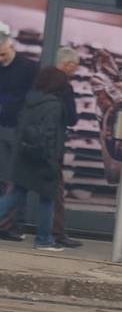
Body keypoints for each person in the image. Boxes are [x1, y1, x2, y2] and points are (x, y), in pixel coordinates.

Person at [0, 66, 68, 250]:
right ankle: (44, 239)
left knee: (15, 195)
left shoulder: (30, 101)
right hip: (42, 159)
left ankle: (44, 239)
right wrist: (52, 162)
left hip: (25, 156)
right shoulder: (54, 106)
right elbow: (50, 136)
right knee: (47, 198)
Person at [0, 22, 39, 241]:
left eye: (3, 54)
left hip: (17, 129)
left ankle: (14, 225)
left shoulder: (29, 68)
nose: (0, 59)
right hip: (3, 127)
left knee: (15, 179)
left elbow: (31, 97)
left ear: (10, 46)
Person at [51, 46, 84, 249]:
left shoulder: (41, 81)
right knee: (56, 191)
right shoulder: (65, 86)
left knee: (18, 188)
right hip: (53, 145)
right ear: (67, 64)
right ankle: (58, 233)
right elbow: (72, 118)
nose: (76, 71)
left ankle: (9, 224)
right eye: (75, 66)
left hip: (34, 142)